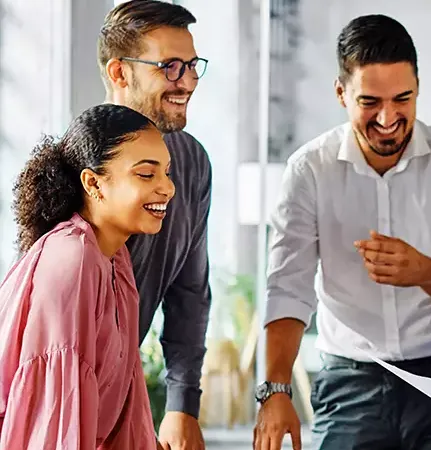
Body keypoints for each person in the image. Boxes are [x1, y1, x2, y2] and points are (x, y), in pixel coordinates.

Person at [254, 13, 431, 450]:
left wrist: (423, 271)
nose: (388, 117)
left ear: (419, 87)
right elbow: (288, 288)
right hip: (350, 379)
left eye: (403, 98)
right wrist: (275, 391)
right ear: (341, 93)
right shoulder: (309, 170)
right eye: (370, 102)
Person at [0, 104, 175, 449]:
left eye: (166, 173)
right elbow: (52, 424)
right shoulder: (73, 258)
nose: (167, 188)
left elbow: (126, 401)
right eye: (146, 174)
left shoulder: (114, 259)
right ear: (93, 183)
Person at [98, 2, 212, 448]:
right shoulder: (75, 167)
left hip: (126, 402)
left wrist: (182, 404)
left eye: (191, 65)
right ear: (120, 73)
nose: (187, 81)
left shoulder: (193, 163)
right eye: (169, 67)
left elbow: (190, 292)